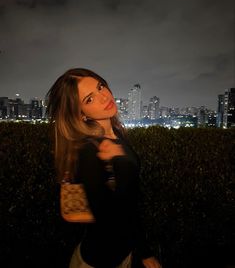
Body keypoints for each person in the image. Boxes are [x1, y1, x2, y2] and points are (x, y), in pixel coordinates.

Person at [46, 68, 162, 268]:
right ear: (81, 115)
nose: (104, 96)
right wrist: (145, 252)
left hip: (121, 253)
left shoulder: (115, 133)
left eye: (100, 87)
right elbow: (109, 218)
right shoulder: (90, 151)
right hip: (99, 260)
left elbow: (130, 203)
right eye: (89, 99)